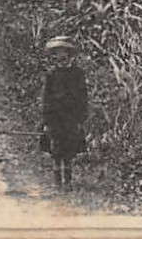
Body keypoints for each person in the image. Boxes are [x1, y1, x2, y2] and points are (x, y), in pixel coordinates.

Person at [40, 35, 89, 189]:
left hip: (71, 117)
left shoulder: (78, 74)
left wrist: (81, 119)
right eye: (57, 52)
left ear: (69, 53)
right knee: (56, 148)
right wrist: (46, 121)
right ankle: (57, 181)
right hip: (55, 117)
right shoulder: (51, 74)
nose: (60, 55)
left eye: (63, 52)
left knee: (69, 148)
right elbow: (46, 99)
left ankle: (68, 181)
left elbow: (83, 97)